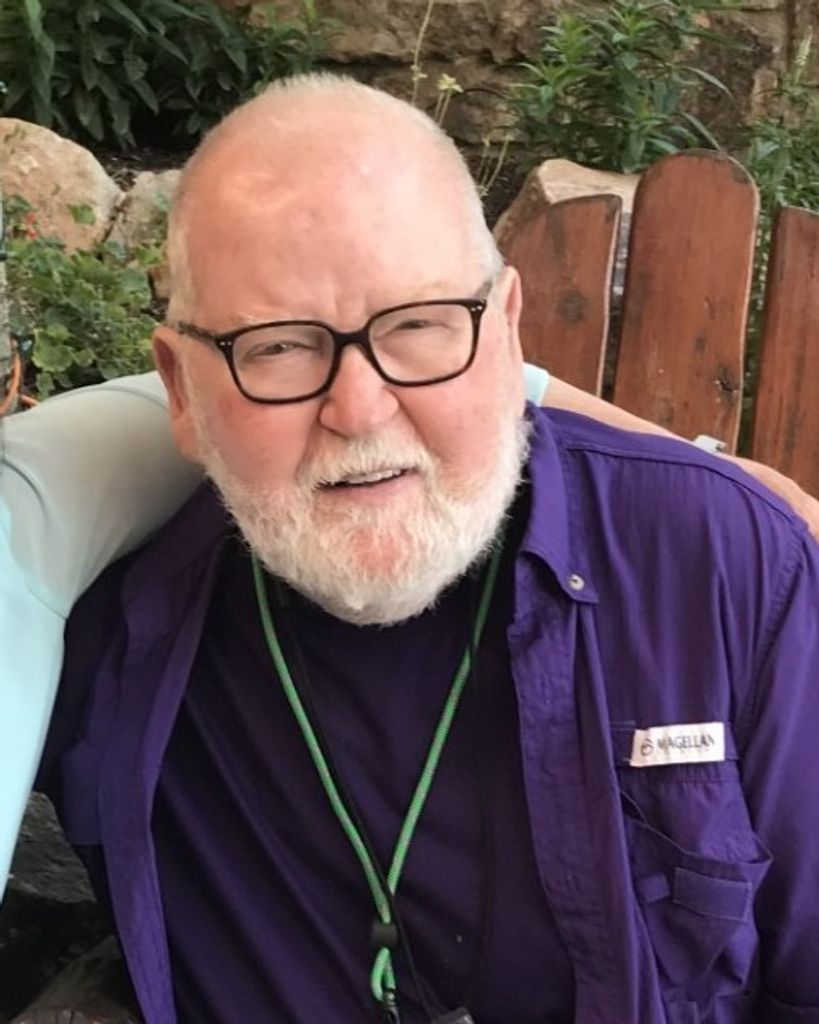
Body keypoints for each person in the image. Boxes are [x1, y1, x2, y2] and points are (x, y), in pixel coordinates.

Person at [12, 74, 819, 1023]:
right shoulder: (99, 626)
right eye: (278, 347)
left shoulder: (720, 566)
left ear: (505, 331)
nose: (359, 410)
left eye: (420, 327)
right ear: (181, 391)